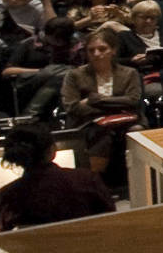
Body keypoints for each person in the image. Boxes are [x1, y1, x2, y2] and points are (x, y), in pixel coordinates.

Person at [58, 29, 145, 170]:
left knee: (137, 130)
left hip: (124, 121)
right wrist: (115, 102)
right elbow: (72, 107)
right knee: (102, 134)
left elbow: (133, 101)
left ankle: (138, 179)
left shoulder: (130, 73)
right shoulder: (74, 75)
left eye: (102, 49)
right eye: (91, 50)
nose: (96, 54)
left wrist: (93, 100)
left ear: (113, 50)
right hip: (88, 122)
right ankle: (94, 181)